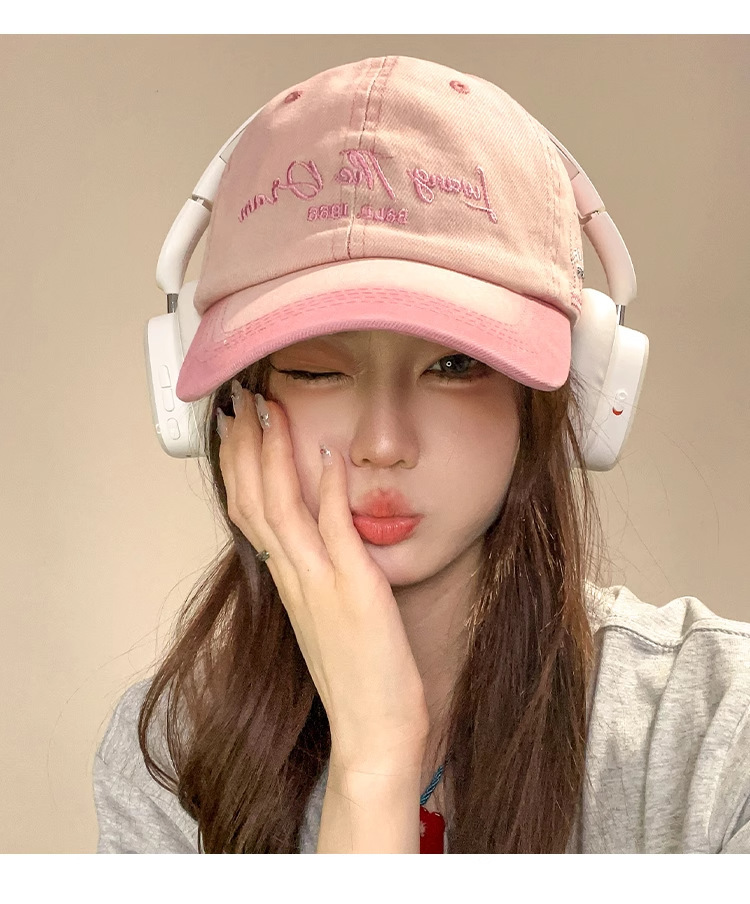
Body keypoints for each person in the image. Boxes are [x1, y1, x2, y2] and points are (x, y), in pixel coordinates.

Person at [93, 55, 750, 854]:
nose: (383, 444)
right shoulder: (168, 759)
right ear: (235, 404)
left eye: (454, 365)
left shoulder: (720, 732)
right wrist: (374, 755)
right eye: (315, 370)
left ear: (573, 386)